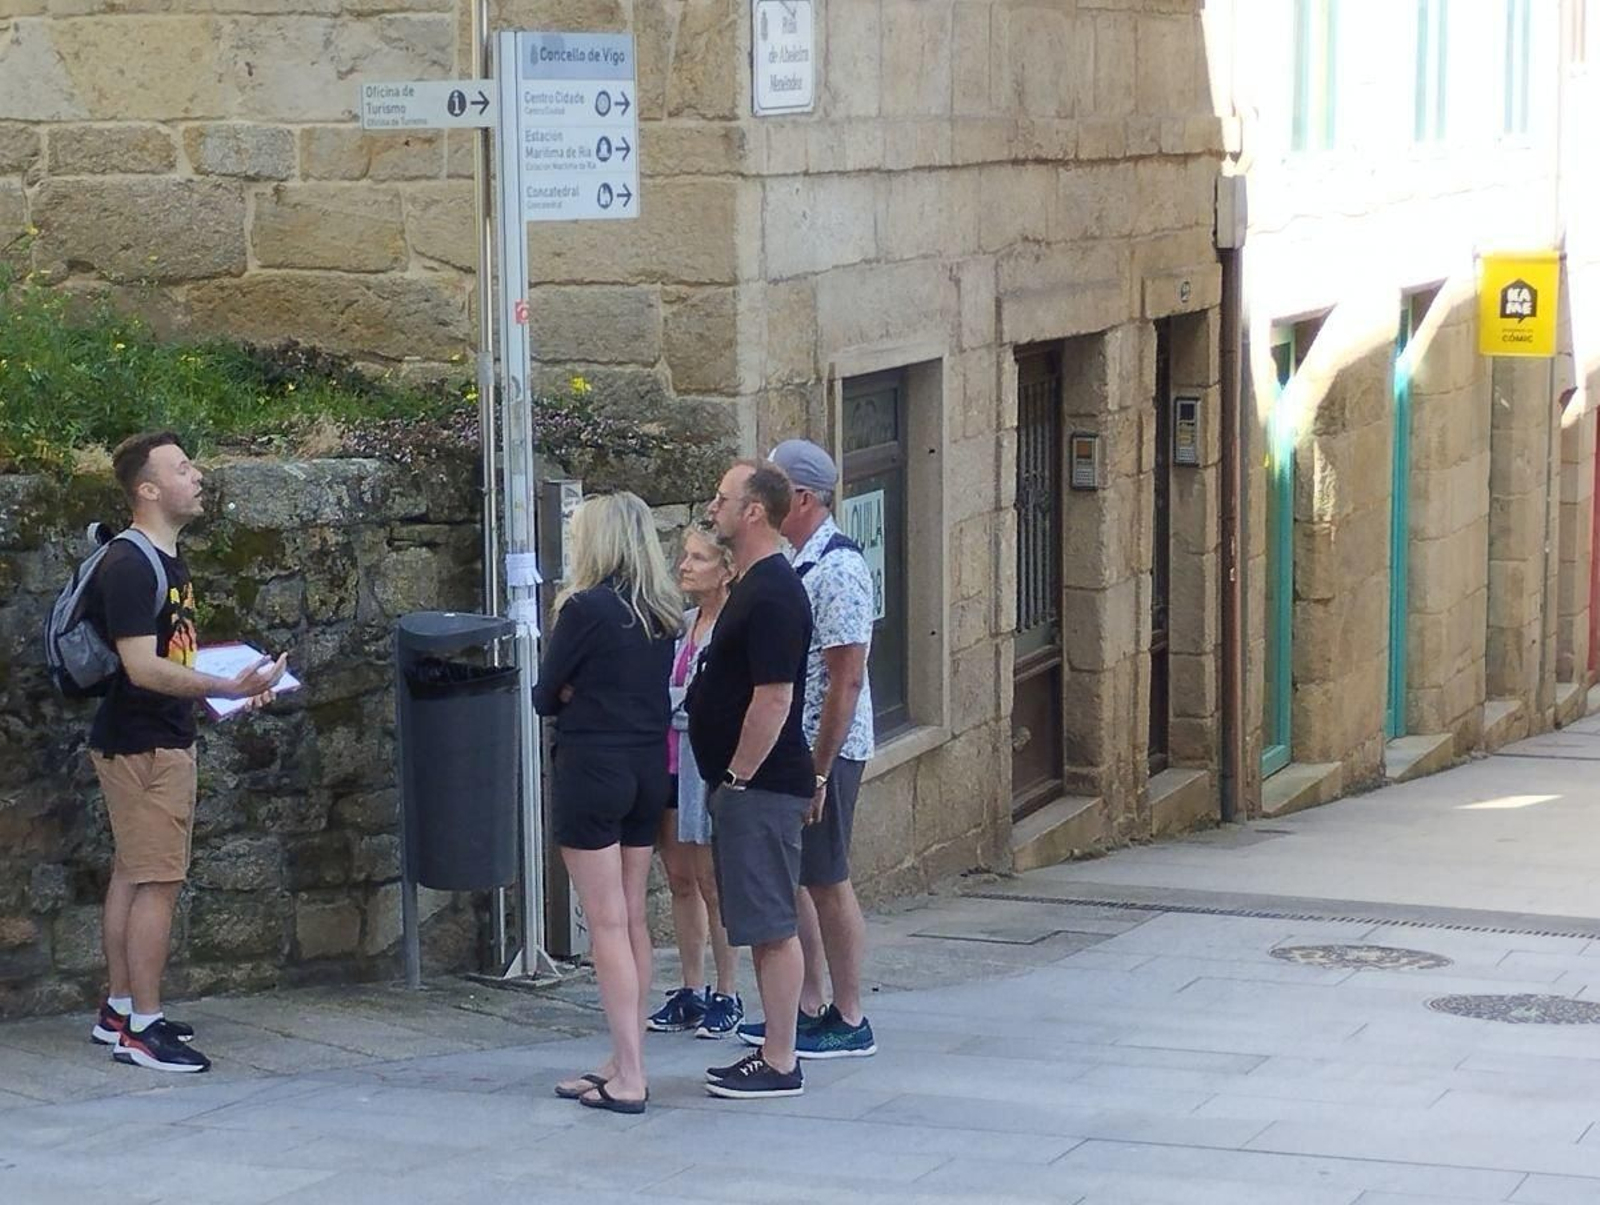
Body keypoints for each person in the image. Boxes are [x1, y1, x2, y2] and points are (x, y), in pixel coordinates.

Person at [85, 431, 287, 1074]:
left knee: (132, 872)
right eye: (181, 468)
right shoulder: (130, 564)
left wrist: (231, 692)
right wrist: (227, 685)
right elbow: (142, 668)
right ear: (147, 490)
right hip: (146, 746)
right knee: (157, 882)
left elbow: (172, 660)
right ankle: (142, 1028)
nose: (197, 476)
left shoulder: (162, 560)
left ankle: (119, 1010)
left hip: (147, 738)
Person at [534, 491, 681, 1115]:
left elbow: (545, 694)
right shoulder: (662, 612)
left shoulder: (586, 608)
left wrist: (570, 690)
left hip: (594, 765)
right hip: (648, 767)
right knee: (634, 918)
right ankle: (625, 1057)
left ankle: (630, 1075)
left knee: (606, 925)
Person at [689, 460, 815, 1100]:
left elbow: (774, 698)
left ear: (754, 512)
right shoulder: (754, 584)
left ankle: (781, 1057)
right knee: (763, 921)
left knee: (770, 923)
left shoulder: (772, 592)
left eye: (723, 498)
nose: (714, 508)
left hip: (759, 787)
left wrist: (736, 777)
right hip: (748, 787)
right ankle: (774, 1049)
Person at [752, 439, 878, 1059]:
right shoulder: (801, 561)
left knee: (828, 878)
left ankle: (850, 1017)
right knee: (803, 878)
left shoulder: (839, 570)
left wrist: (821, 769)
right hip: (801, 752)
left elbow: (845, 678)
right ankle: (808, 1002)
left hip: (826, 752)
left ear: (800, 497)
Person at [647, 522, 743, 1039]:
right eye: (685, 556)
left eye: (699, 558)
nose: (685, 566)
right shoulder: (680, 625)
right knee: (680, 878)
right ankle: (691, 986)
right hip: (668, 759)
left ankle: (727, 991)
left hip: (705, 762)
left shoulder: (733, 628)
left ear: (727, 570)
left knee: (711, 881)